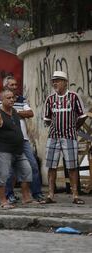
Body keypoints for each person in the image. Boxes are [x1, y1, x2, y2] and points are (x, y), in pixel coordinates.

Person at [43, 71, 87, 204]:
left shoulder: (74, 97)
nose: (55, 83)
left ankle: (75, 195)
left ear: (65, 82)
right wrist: (55, 127)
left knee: (72, 167)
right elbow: (47, 119)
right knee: (51, 166)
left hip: (69, 136)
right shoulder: (50, 99)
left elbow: (82, 116)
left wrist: (73, 128)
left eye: (58, 80)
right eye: (53, 81)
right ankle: (50, 195)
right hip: (53, 137)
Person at [1, 76, 45, 204]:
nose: (15, 87)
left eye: (16, 85)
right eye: (12, 85)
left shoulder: (21, 99)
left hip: (24, 140)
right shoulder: (1, 99)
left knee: (33, 166)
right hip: (10, 140)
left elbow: (30, 113)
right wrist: (19, 113)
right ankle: (9, 195)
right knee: (10, 170)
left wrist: (15, 112)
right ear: (6, 86)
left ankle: (36, 193)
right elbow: (4, 113)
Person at [0, 89, 33, 209]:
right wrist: (2, 141)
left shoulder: (14, 112)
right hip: (3, 150)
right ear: (1, 100)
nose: (12, 100)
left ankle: (26, 198)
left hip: (18, 149)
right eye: (8, 98)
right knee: (2, 176)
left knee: (27, 171)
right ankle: (3, 201)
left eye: (13, 97)